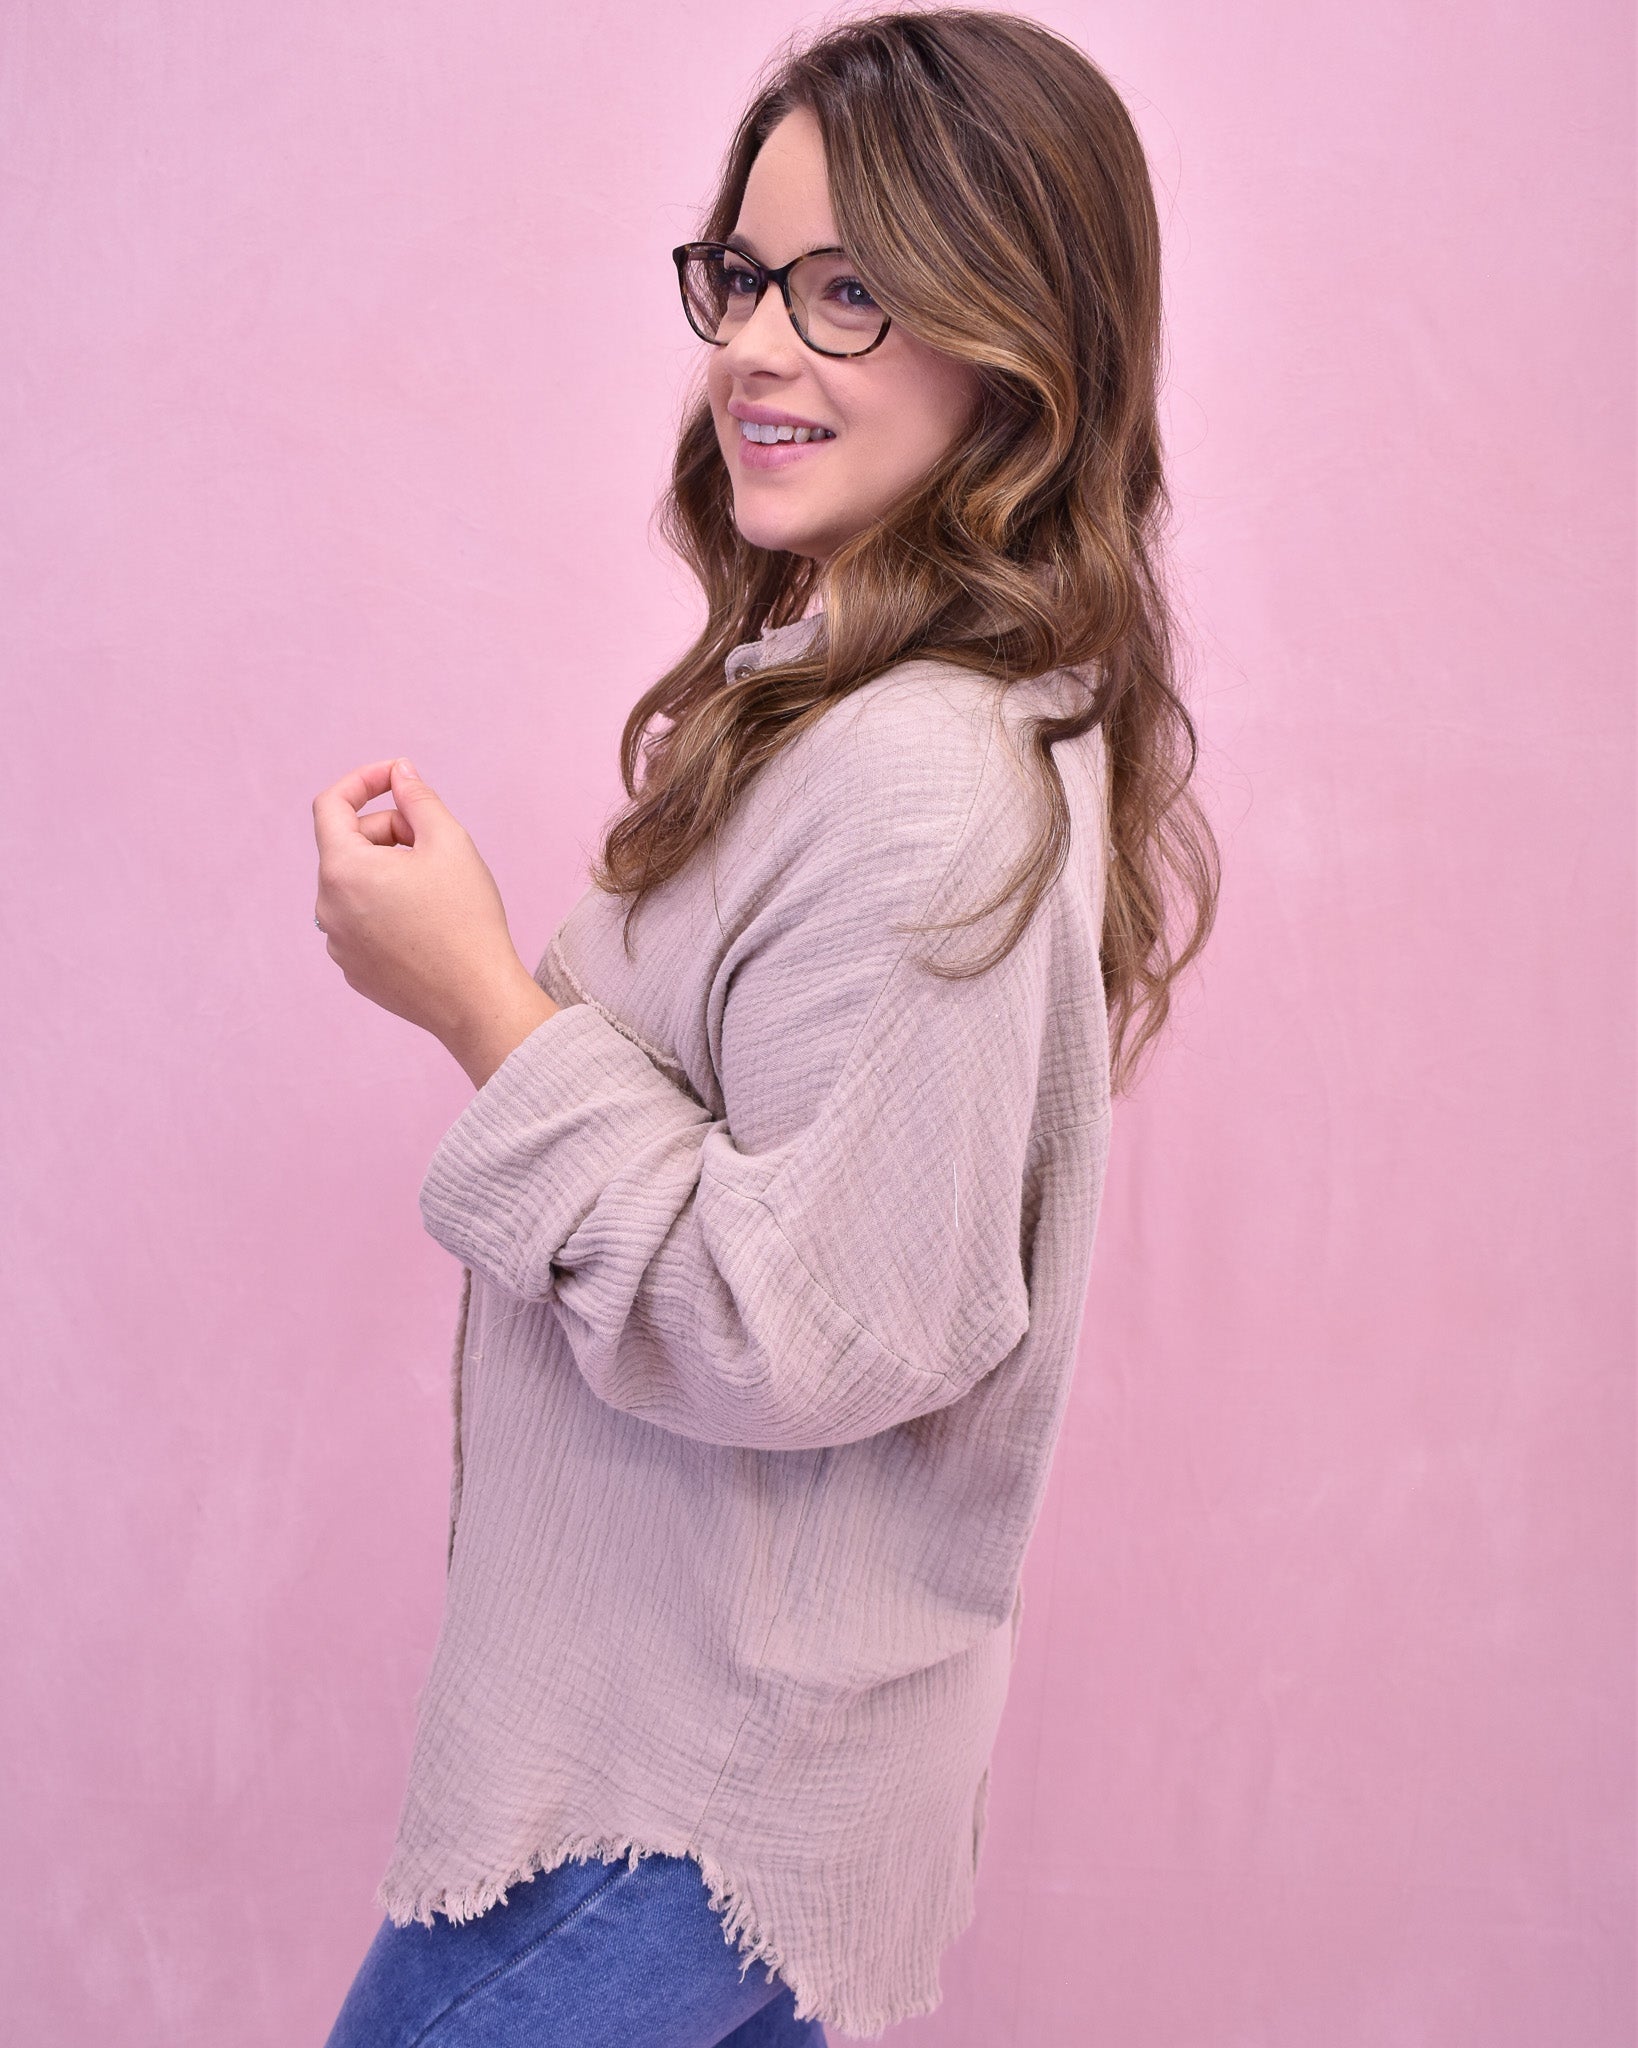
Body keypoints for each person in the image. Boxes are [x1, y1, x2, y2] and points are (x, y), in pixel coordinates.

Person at [312, 10, 1217, 2043]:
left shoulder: (922, 776)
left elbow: (809, 1327)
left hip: (672, 1809)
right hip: (708, 1781)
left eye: (851, 291)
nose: (754, 345)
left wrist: (478, 999)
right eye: (742, 274)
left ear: (1020, 351)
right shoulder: (885, 714)